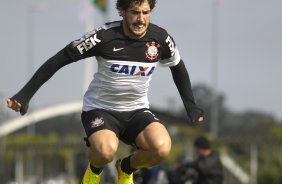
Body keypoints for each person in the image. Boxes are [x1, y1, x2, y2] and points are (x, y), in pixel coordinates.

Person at [6, 0, 204, 183]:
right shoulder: (103, 36)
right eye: (135, 12)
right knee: (105, 152)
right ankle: (94, 170)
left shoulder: (160, 38)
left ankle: (125, 168)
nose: (141, 19)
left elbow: (177, 67)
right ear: (123, 12)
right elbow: (59, 59)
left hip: (136, 111)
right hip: (101, 109)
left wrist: (191, 105)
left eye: (146, 12)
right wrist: (25, 95)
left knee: (161, 148)